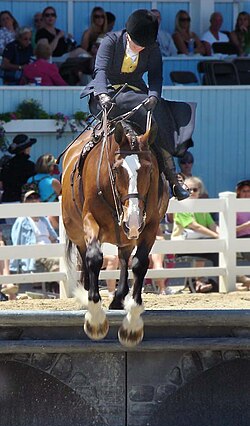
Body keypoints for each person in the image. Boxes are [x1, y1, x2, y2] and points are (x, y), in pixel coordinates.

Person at [80, 9, 197, 201]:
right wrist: (102, 95)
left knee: (161, 115)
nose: (140, 49)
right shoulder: (110, 41)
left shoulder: (152, 47)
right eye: (136, 44)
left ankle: (171, 176)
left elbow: (156, 77)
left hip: (135, 93)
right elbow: (100, 71)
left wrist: (153, 96)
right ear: (128, 34)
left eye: (144, 46)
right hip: (106, 93)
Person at [171, 176, 219, 293]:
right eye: (188, 189)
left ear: (200, 191)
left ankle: (216, 282)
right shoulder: (180, 205)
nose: (192, 192)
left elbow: (212, 225)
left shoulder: (202, 207)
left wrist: (222, 235)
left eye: (195, 190)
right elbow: (194, 225)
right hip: (182, 246)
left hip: (199, 244)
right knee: (205, 249)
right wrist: (217, 236)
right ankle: (199, 282)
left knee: (218, 252)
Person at [10, 190, 59, 280]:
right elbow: (16, 242)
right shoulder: (22, 221)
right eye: (30, 199)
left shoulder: (44, 220)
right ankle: (63, 287)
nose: (34, 200)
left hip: (50, 250)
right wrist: (15, 265)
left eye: (36, 198)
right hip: (35, 252)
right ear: (25, 203)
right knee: (56, 261)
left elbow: (54, 238)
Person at [27, 153, 61, 229]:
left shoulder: (30, 179)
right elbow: (63, 198)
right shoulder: (53, 182)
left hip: (33, 215)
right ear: (50, 167)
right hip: (50, 216)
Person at [0, 134, 36, 203]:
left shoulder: (7, 165)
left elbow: (1, 184)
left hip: (6, 201)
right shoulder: (30, 166)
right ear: (25, 149)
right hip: (22, 201)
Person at [235, 179, 250, 290]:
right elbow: (231, 229)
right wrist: (247, 225)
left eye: (248, 191)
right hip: (242, 237)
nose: (246, 194)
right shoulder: (234, 206)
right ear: (239, 192)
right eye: (244, 191)